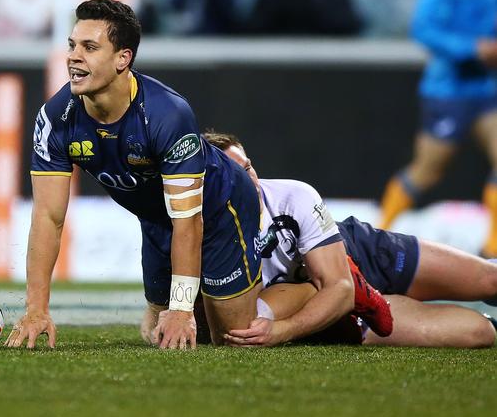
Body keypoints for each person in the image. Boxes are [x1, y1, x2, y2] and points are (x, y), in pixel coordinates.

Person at [4, 0, 262, 350]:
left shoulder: (166, 114)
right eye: (72, 45)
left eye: (89, 47)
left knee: (232, 338)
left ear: (122, 58)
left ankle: (315, 302)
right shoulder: (54, 120)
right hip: (157, 220)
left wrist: (182, 307)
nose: (73, 56)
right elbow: (48, 217)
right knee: (159, 335)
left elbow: (189, 218)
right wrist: (36, 310)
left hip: (219, 209)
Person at [207, 132, 497, 348]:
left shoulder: (292, 197)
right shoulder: (204, 228)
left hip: (357, 253)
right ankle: (361, 296)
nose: (250, 182)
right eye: (237, 175)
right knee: (481, 333)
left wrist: (281, 331)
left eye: (248, 168)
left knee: (490, 279)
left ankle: (358, 285)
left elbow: (338, 286)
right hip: (330, 307)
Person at [377, 0, 497, 259]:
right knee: (429, 169)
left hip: (484, 87)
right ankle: (378, 232)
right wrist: (472, 49)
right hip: (449, 90)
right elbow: (423, 28)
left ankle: (493, 247)